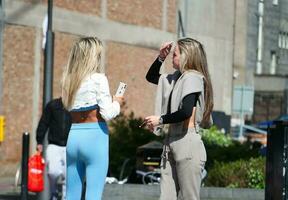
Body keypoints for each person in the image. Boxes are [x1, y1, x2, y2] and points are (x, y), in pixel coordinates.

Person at [144, 37, 213, 200]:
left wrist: (159, 120)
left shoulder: (192, 78)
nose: (172, 58)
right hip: (172, 142)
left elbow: (186, 112)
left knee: (189, 197)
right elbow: (152, 76)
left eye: (174, 54)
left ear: (186, 56)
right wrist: (161, 57)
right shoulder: (177, 78)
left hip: (187, 142)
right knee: (166, 197)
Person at [61, 37, 124, 200]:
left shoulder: (69, 80)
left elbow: (68, 107)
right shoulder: (98, 79)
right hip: (95, 137)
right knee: (93, 195)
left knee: (71, 195)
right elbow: (108, 113)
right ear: (91, 57)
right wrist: (116, 102)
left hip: (74, 136)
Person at [36, 97, 72, 200]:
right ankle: (54, 192)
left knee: (68, 175)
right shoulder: (53, 105)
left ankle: (65, 196)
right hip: (54, 144)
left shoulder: (74, 105)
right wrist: (39, 141)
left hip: (69, 146)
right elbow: (44, 122)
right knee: (52, 171)